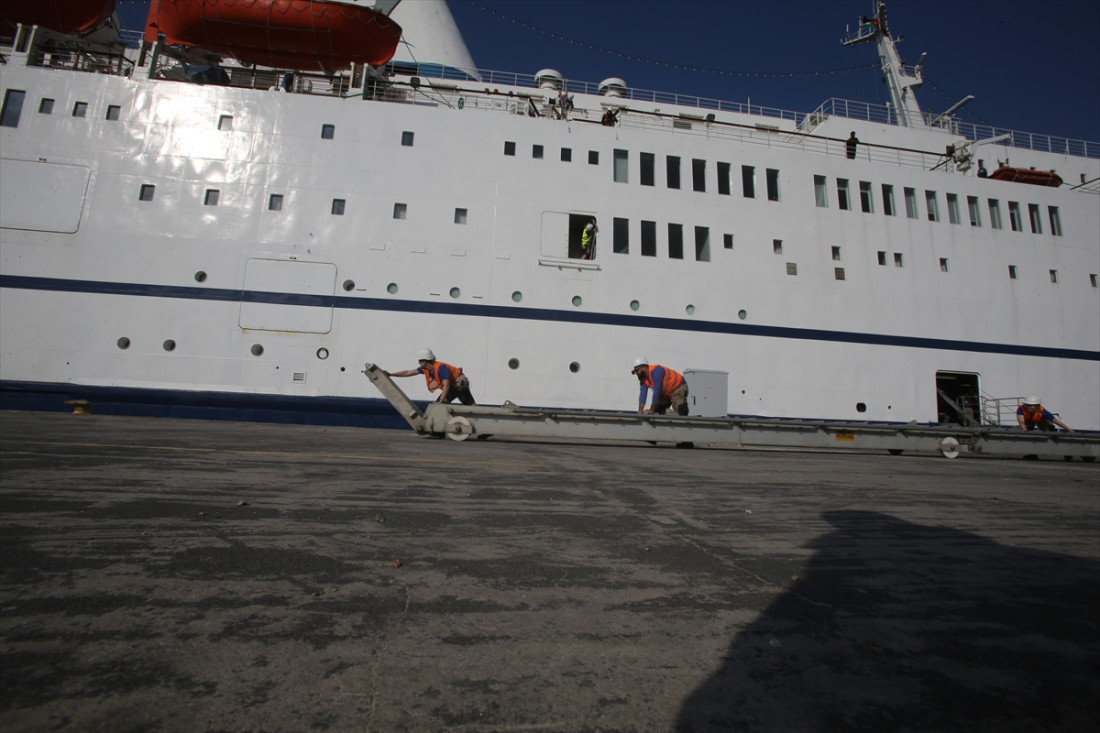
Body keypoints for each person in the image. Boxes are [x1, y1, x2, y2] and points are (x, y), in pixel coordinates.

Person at [384, 348, 476, 405]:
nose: (419, 362)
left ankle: (438, 431)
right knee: (470, 404)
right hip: (456, 385)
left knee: (440, 406)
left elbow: (446, 385)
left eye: (420, 360)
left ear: (425, 361)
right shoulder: (426, 369)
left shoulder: (440, 368)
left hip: (458, 383)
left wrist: (441, 400)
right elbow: (408, 372)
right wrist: (391, 374)